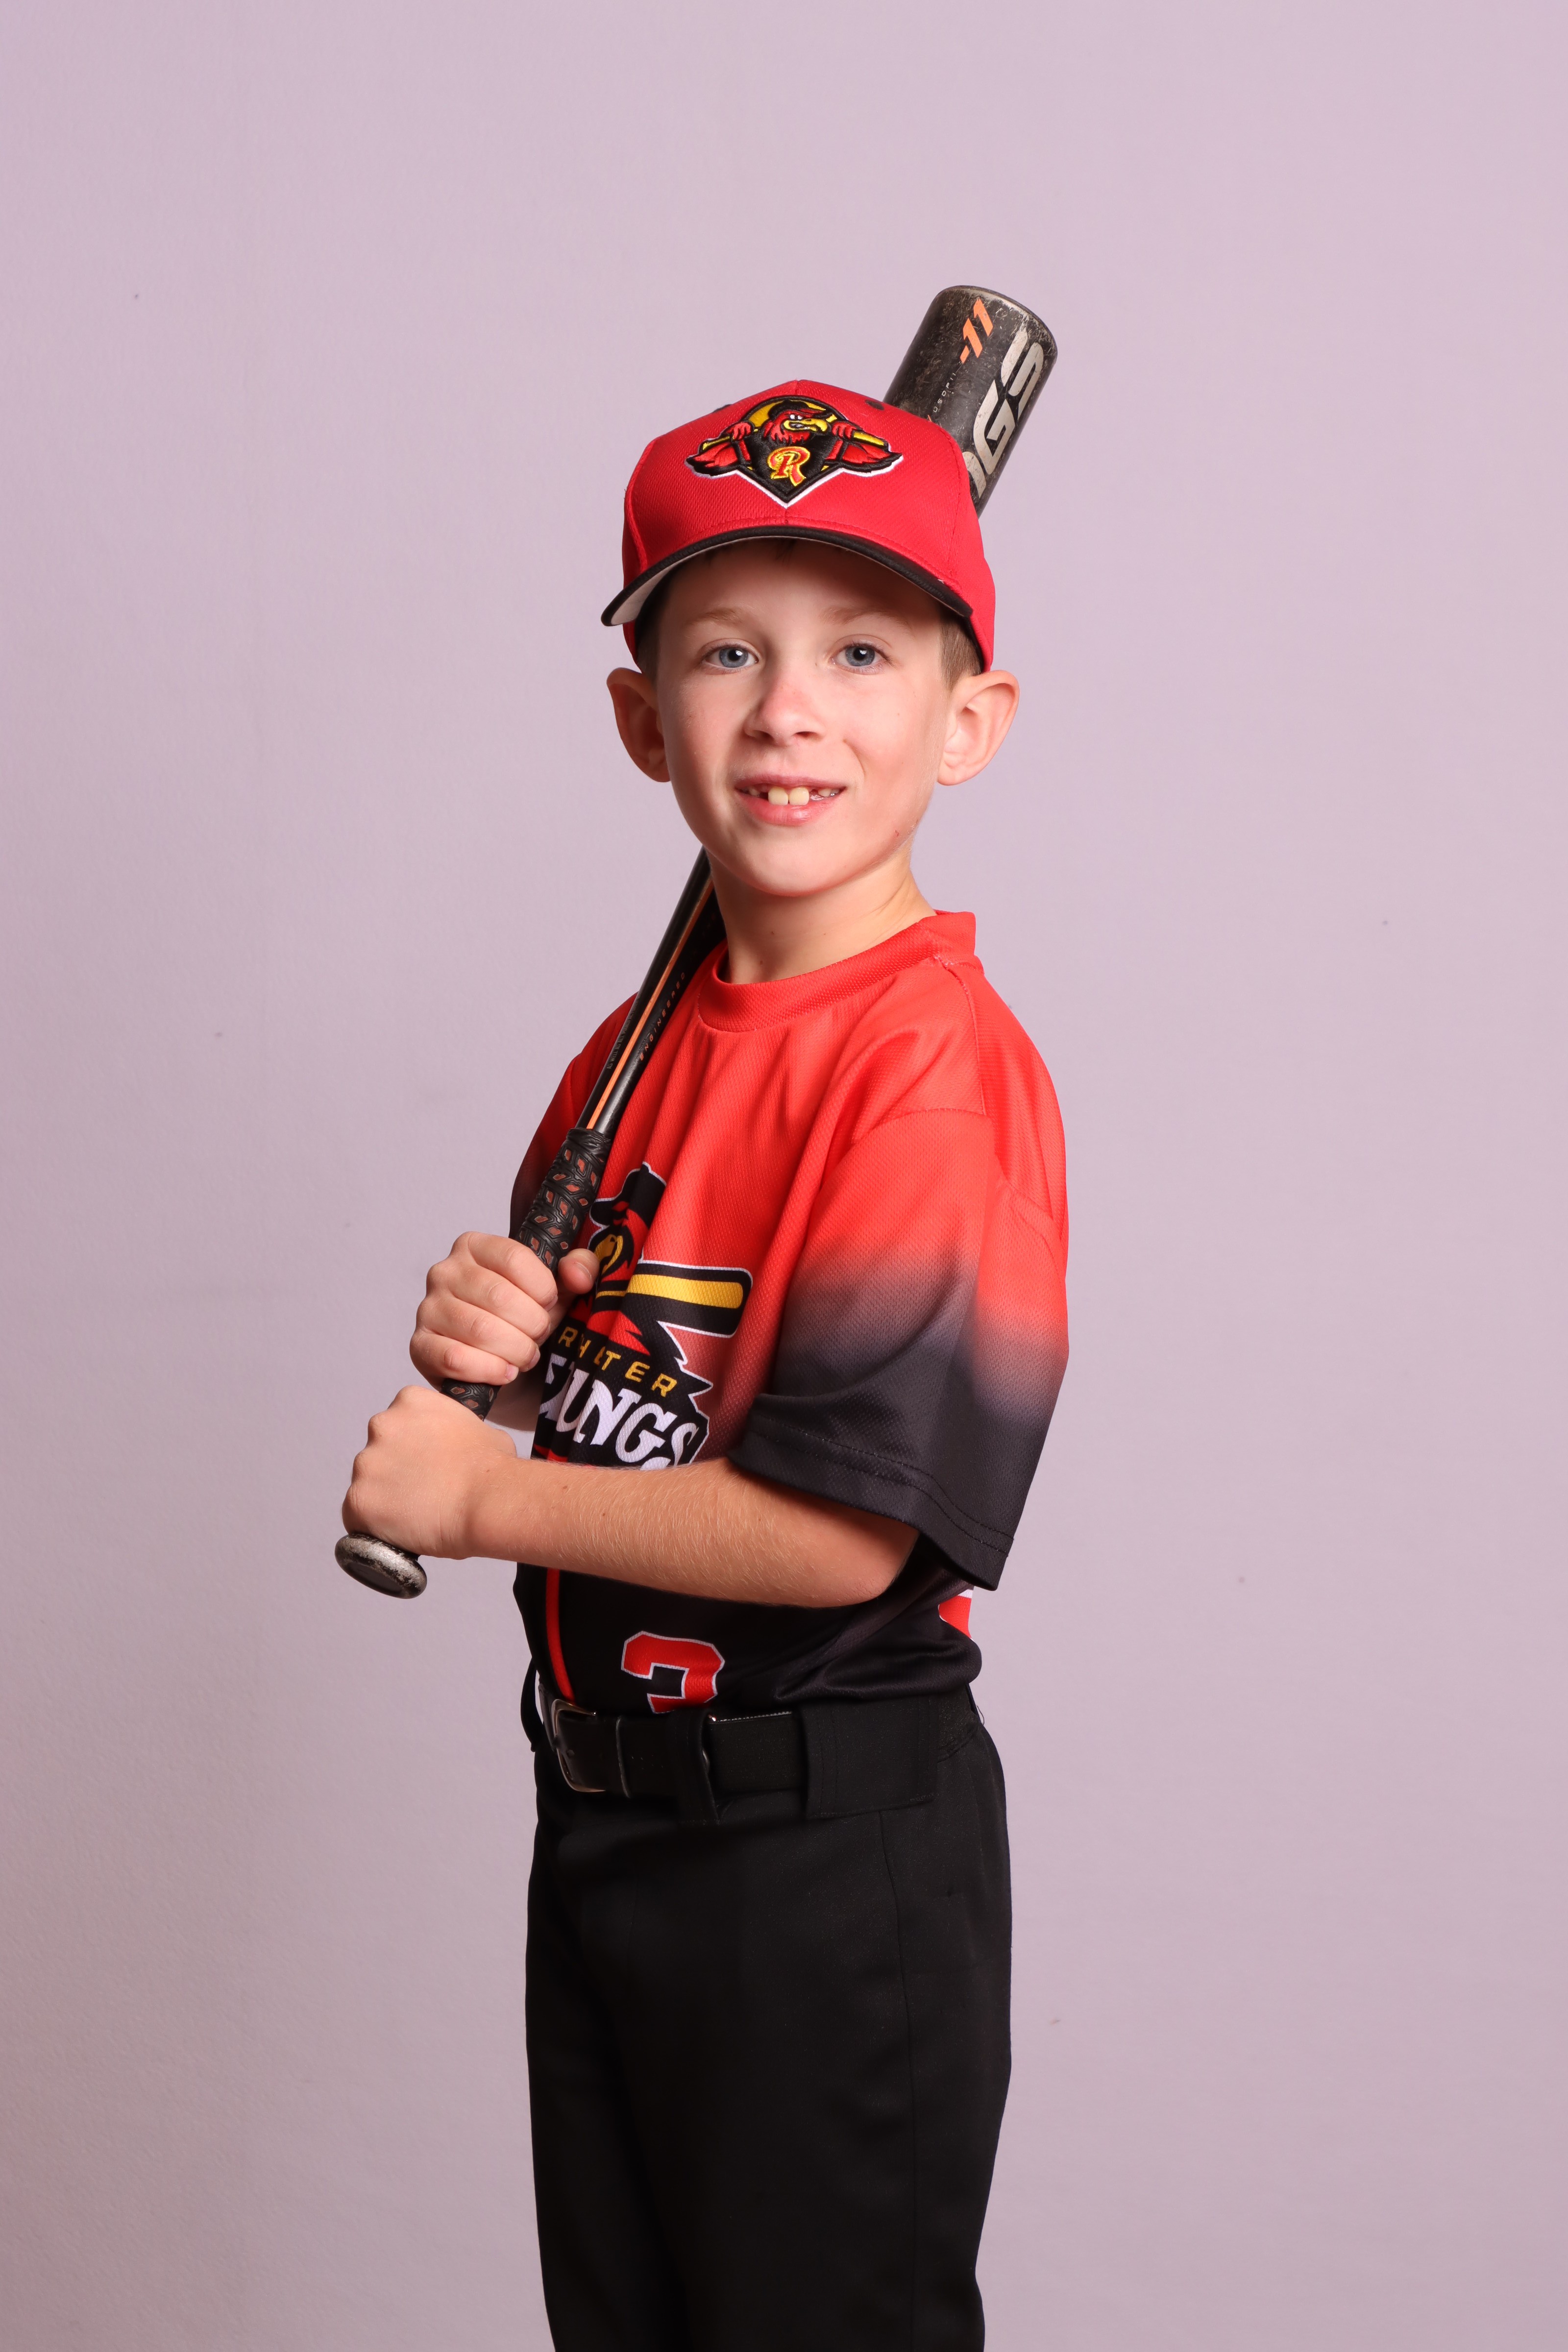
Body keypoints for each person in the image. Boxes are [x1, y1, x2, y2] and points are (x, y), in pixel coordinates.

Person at [342, 379, 1070, 2351]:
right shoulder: (638, 1045)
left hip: (816, 1858)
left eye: (862, 653)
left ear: (970, 722)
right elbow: (629, 1387)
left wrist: (482, 1498)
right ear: (641, 719)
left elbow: (841, 1535)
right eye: (726, 651)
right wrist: (501, 1349)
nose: (787, 711)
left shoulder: (931, 1071)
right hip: (604, 1821)